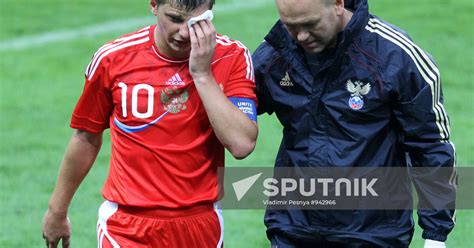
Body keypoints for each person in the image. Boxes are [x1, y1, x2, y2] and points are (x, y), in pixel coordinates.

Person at [42, 0, 258, 247]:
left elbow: (242, 145)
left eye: (196, 22)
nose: (185, 32)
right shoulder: (113, 59)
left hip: (201, 223)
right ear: (154, 5)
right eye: (175, 19)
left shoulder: (232, 56)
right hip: (126, 226)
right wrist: (57, 211)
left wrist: (202, 74)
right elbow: (85, 137)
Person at [252, 0, 456, 247]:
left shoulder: (395, 57)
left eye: (309, 24)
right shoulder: (278, 52)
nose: (301, 36)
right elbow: (236, 115)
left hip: (372, 234)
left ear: (338, 4)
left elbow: (430, 145)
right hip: (293, 228)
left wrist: (435, 235)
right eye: (290, 26)